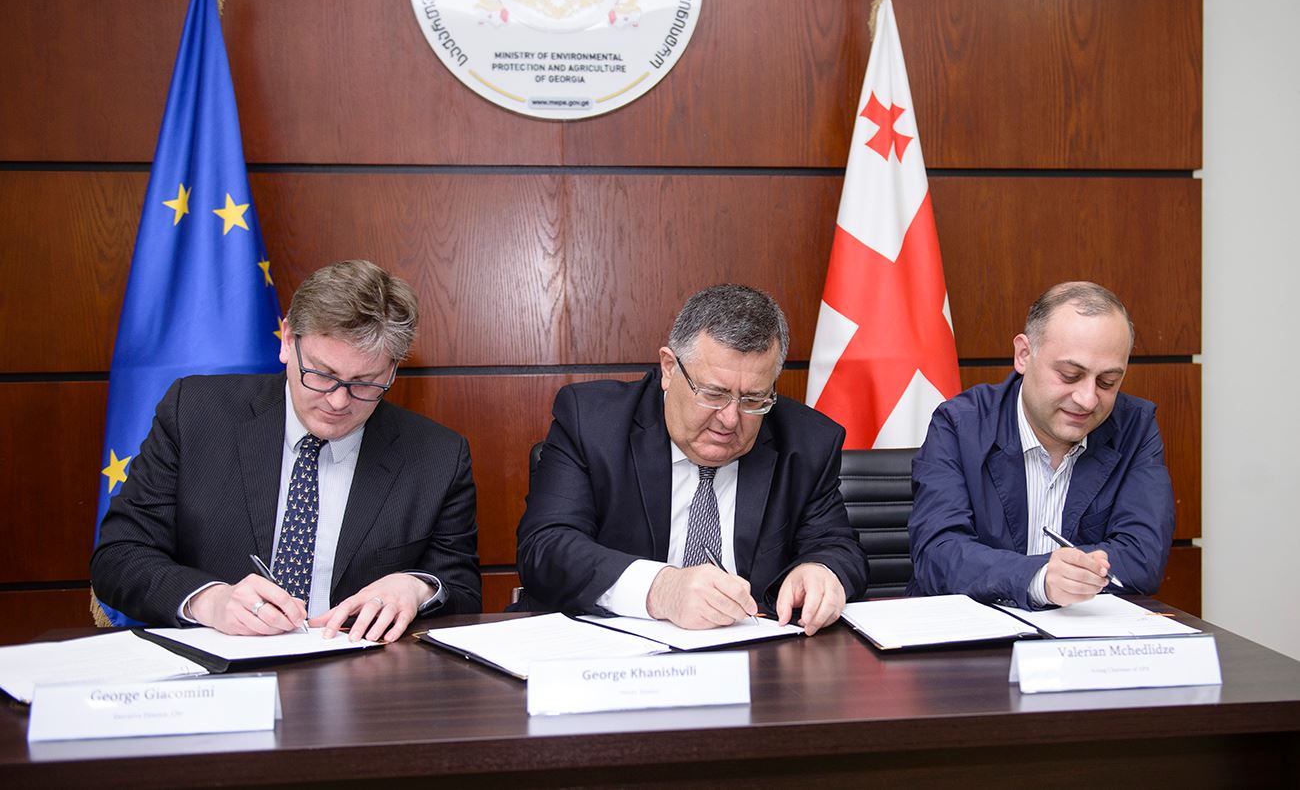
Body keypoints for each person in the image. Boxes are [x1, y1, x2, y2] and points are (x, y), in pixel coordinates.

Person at [91, 260, 480, 641]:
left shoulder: (438, 457)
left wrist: (417, 588)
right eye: (322, 374)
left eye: (365, 382)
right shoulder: (195, 414)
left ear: (392, 370)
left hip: (361, 671)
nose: (339, 401)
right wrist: (209, 601)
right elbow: (119, 556)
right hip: (222, 669)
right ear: (288, 340)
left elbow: (462, 591)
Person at [514, 284, 866, 634]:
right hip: (610, 652)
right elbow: (546, 547)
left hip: (755, 655)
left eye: (752, 400)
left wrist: (822, 571)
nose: (730, 419)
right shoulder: (592, 423)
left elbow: (838, 547)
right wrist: (660, 588)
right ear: (669, 369)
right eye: (713, 394)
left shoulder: (808, 442)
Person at [907, 281, 1175, 609]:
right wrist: (1039, 578)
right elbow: (938, 554)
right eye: (1069, 375)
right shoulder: (960, 424)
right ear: (1024, 355)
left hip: (1082, 633)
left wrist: (1056, 577)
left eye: (1107, 382)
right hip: (971, 633)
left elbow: (1142, 558)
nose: (1088, 399)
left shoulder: (1134, 427)